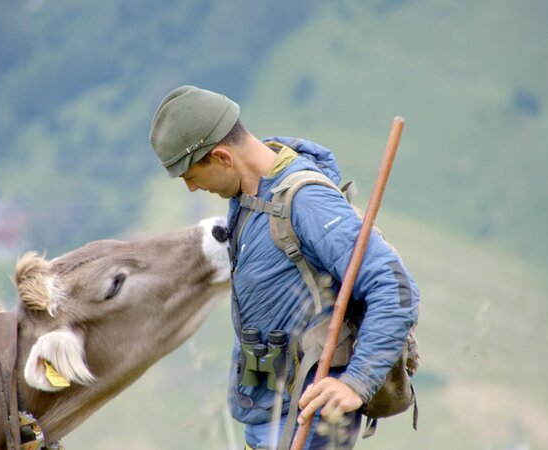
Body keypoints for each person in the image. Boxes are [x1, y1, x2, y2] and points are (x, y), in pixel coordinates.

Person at [149, 85, 420, 449]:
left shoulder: (306, 202)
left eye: (190, 176)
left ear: (222, 157)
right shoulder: (251, 193)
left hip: (306, 415)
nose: (192, 190)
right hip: (269, 408)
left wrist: (356, 381)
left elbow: (395, 288)